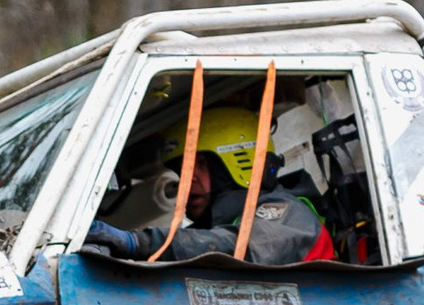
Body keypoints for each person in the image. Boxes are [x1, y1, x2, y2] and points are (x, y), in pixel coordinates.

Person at [88, 107, 334, 266]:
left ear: (237, 162)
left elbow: (241, 248)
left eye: (200, 165)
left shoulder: (289, 214)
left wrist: (141, 242)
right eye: (182, 170)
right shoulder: (205, 235)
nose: (187, 180)